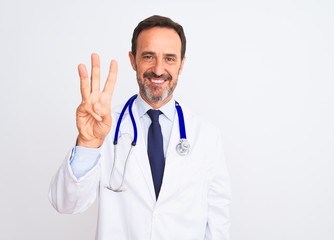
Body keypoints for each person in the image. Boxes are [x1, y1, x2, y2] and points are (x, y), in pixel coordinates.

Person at [49, 15, 232, 240]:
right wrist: (87, 144)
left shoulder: (205, 134)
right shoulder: (104, 126)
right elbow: (65, 203)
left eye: (169, 59)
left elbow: (217, 220)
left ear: (182, 64)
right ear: (133, 60)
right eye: (148, 56)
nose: (158, 69)